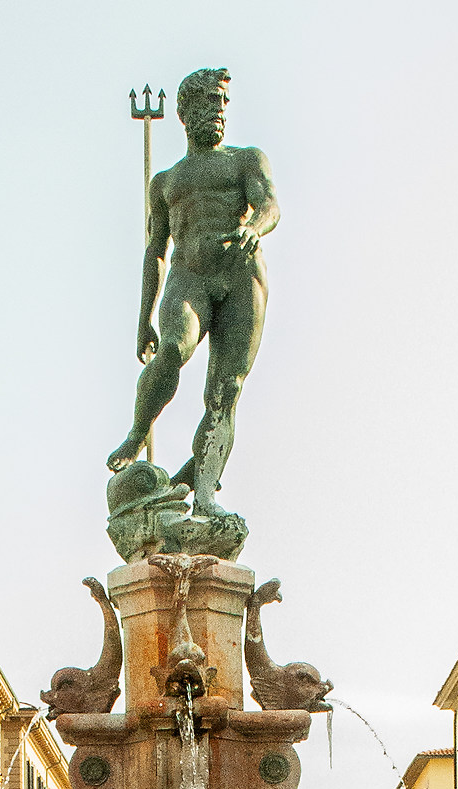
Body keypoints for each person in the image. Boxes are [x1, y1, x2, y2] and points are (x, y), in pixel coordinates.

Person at [106, 67, 279, 518]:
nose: (218, 112)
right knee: (172, 349)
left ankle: (202, 490)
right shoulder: (166, 181)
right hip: (190, 274)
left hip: (242, 274)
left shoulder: (246, 160)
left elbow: (269, 204)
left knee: (226, 391)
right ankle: (138, 428)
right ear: (185, 113)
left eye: (223, 103)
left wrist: (254, 227)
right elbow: (155, 251)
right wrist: (143, 317)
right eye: (207, 103)